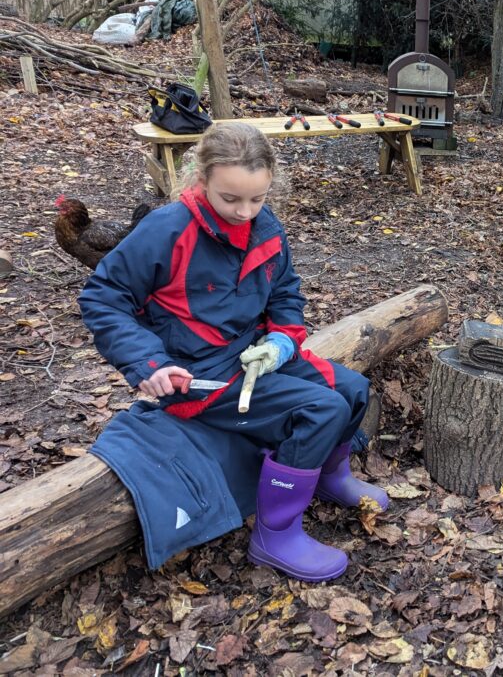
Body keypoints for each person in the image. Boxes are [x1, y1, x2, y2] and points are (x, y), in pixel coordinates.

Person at [79, 122, 388, 582]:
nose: (244, 211)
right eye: (230, 199)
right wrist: (151, 365)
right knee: (320, 410)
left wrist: (283, 341)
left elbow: (286, 292)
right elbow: (103, 298)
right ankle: (276, 535)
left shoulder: (266, 227)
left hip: (254, 355)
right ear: (201, 181)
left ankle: (329, 476)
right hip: (197, 375)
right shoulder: (167, 229)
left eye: (257, 199)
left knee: (353, 389)